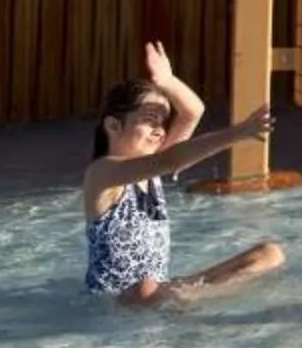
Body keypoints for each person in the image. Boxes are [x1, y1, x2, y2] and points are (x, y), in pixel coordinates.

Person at [80, 43, 285, 303]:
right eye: (150, 119)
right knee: (146, 287)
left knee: (269, 253)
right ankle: (189, 301)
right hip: (118, 299)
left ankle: (189, 298)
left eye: (164, 122)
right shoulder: (102, 174)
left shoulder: (151, 168)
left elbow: (193, 111)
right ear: (113, 125)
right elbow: (170, 160)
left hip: (159, 291)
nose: (160, 130)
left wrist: (167, 81)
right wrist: (238, 132)